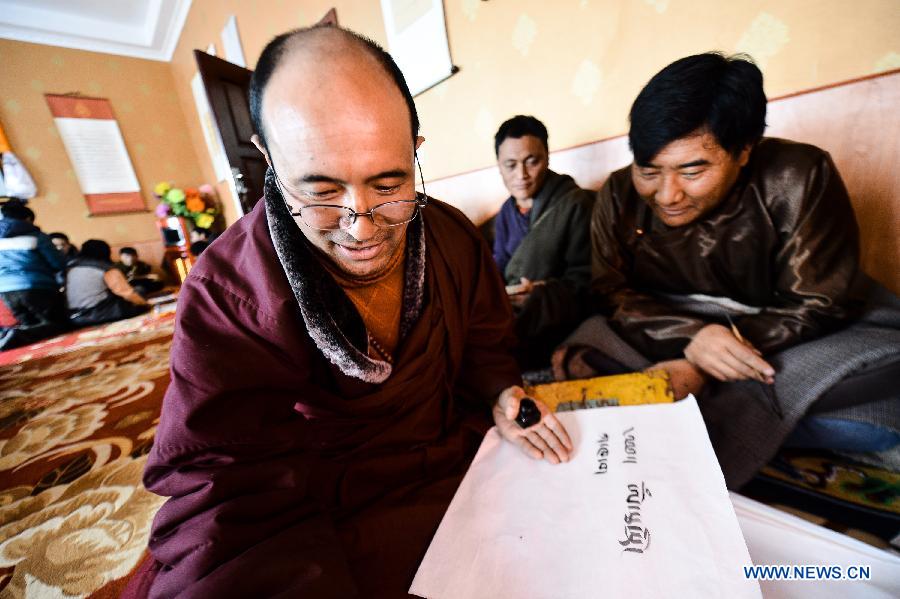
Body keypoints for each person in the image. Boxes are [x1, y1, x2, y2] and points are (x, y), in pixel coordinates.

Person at [126, 25, 571, 599]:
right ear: (266, 155)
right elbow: (227, 484)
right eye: (321, 190)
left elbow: (486, 344)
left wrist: (501, 391)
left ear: (416, 148)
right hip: (319, 506)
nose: (362, 227)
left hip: (451, 457)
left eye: (390, 184)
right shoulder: (231, 290)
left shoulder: (451, 235)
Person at [554, 52, 900, 488]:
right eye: (649, 170)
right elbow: (611, 292)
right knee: (583, 346)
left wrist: (705, 360)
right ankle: (738, 413)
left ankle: (687, 401)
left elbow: (820, 302)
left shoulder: (799, 174)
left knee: (880, 373)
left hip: (789, 335)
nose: (666, 195)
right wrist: (694, 337)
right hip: (667, 321)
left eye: (692, 170)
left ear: (743, 151)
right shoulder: (618, 194)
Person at [492, 115, 595, 368]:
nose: (522, 175)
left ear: (547, 157)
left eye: (532, 161)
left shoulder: (576, 204)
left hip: (558, 323)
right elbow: (498, 269)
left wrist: (542, 293)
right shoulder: (506, 213)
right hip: (512, 315)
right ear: (499, 165)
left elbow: (590, 283)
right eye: (510, 165)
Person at [0, 201, 67, 349]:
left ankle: (15, 334)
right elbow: (57, 263)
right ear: (28, 219)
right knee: (58, 324)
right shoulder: (37, 236)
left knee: (31, 327)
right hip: (36, 285)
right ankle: (16, 333)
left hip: (5, 290)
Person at [65, 239, 149, 326]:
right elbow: (127, 293)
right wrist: (145, 304)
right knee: (139, 290)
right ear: (106, 252)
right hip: (101, 315)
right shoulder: (105, 268)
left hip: (75, 318)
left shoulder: (71, 267)